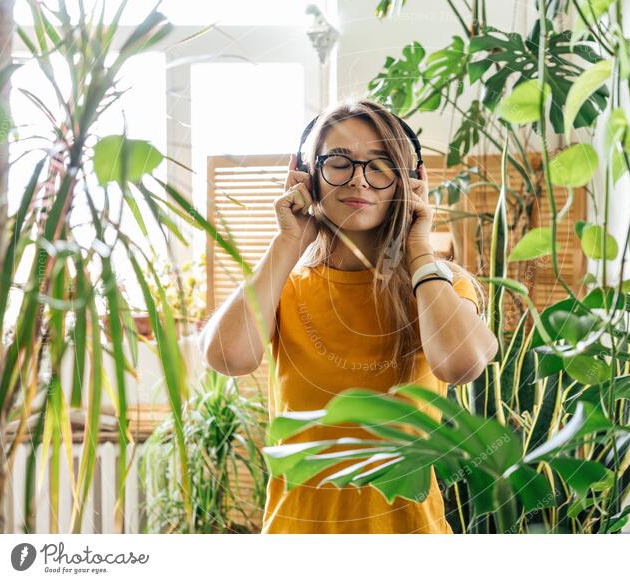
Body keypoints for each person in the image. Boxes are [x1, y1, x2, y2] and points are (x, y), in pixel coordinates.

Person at [200, 98, 499, 533]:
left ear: (409, 180)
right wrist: (287, 243)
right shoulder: (287, 284)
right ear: (306, 176)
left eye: (379, 165)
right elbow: (227, 357)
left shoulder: (440, 285)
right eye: (339, 162)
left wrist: (418, 248)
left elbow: (460, 364)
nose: (359, 180)